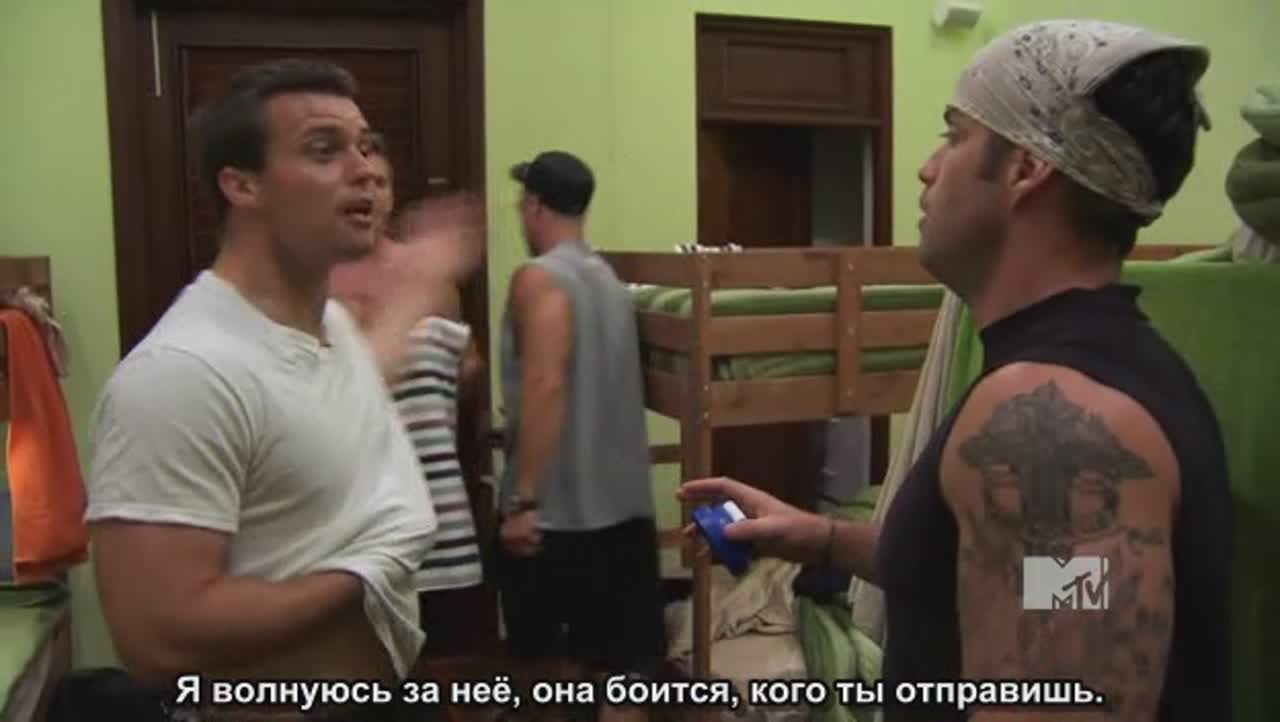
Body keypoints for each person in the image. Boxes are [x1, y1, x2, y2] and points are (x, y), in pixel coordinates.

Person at [680, 20, 1230, 722]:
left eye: (955, 135)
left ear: (1026, 169)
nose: (928, 168)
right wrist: (821, 538)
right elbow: (1018, 576)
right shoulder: (1067, 384)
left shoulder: (1054, 422)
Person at [85, 58, 482, 720]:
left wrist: (419, 283)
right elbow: (157, 636)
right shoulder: (182, 373)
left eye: (366, 146)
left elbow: (328, 409)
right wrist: (370, 571)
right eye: (324, 151)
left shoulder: (330, 327)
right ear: (242, 184)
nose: (364, 170)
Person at [494, 150, 665, 722]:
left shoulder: (538, 278)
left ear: (534, 205)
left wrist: (523, 501)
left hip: (557, 520)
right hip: (627, 514)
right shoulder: (611, 282)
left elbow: (546, 383)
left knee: (543, 677)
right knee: (623, 678)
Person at [329, 143, 491, 656]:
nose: (370, 193)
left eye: (380, 182)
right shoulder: (315, 282)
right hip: (351, 532)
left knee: (447, 669)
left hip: (439, 513)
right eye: (359, 183)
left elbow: (467, 370)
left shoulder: (432, 280)